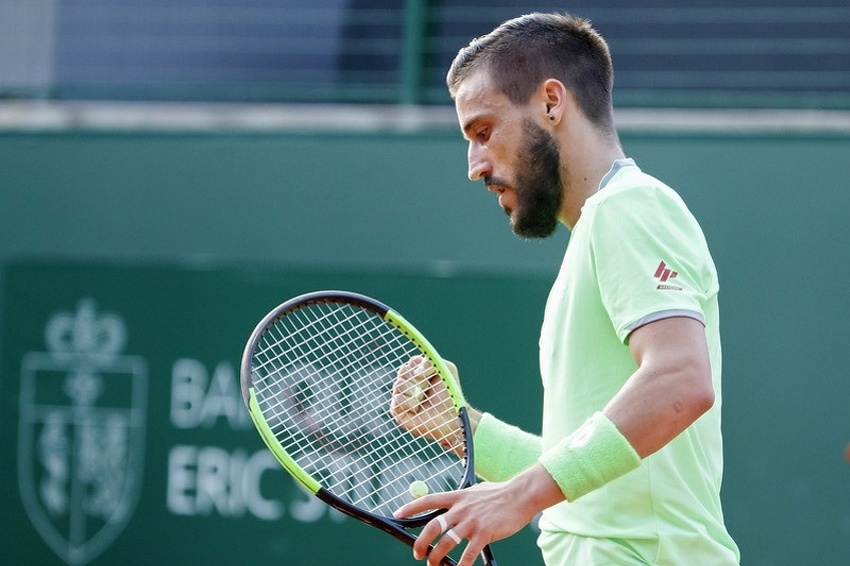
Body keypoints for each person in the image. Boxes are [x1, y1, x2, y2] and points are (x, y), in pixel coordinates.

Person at [390, 12, 741, 566]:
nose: (474, 165)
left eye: (484, 131)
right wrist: (467, 429)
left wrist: (519, 495)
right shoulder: (601, 229)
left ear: (552, 102)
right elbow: (602, 486)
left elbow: (681, 378)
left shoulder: (630, 207)